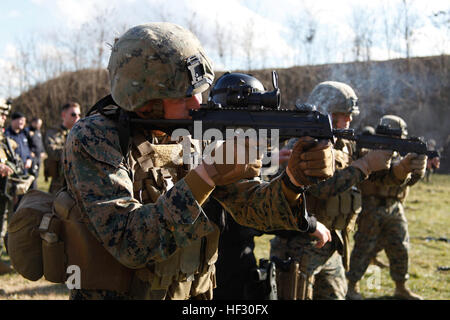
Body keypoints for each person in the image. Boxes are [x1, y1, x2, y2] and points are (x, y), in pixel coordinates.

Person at [59, 22, 335, 300]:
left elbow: (251, 209)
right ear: (144, 100)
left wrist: (292, 181)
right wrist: (207, 175)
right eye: (184, 95)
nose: (197, 102)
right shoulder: (95, 137)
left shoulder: (195, 131)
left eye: (200, 90)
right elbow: (129, 242)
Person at [270, 81, 394, 300]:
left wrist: (400, 168)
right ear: (328, 113)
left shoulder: (345, 144)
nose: (350, 120)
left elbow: (378, 176)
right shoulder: (302, 143)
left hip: (331, 245)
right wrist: (364, 165)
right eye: (345, 114)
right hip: (299, 246)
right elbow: (322, 187)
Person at [346, 115, 427, 300]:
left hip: (395, 206)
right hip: (371, 205)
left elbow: (408, 182)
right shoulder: (369, 151)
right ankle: (352, 285)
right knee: (365, 247)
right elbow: (380, 174)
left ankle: (401, 287)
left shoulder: (403, 153)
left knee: (400, 246)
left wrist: (417, 172)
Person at [44, 102, 81, 194]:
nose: (77, 117)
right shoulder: (53, 132)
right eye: (73, 114)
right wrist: (74, 149)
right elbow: (53, 152)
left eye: (79, 114)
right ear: (64, 115)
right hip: (59, 183)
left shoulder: (81, 133)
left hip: (79, 182)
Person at [25, 117, 45, 189]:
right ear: (33, 122)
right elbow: (25, 144)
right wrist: (30, 152)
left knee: (37, 173)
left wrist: (43, 151)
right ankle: (32, 189)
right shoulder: (27, 131)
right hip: (32, 157)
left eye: (40, 124)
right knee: (32, 173)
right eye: (37, 124)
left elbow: (40, 143)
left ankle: (34, 188)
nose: (39, 125)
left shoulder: (38, 131)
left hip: (38, 156)